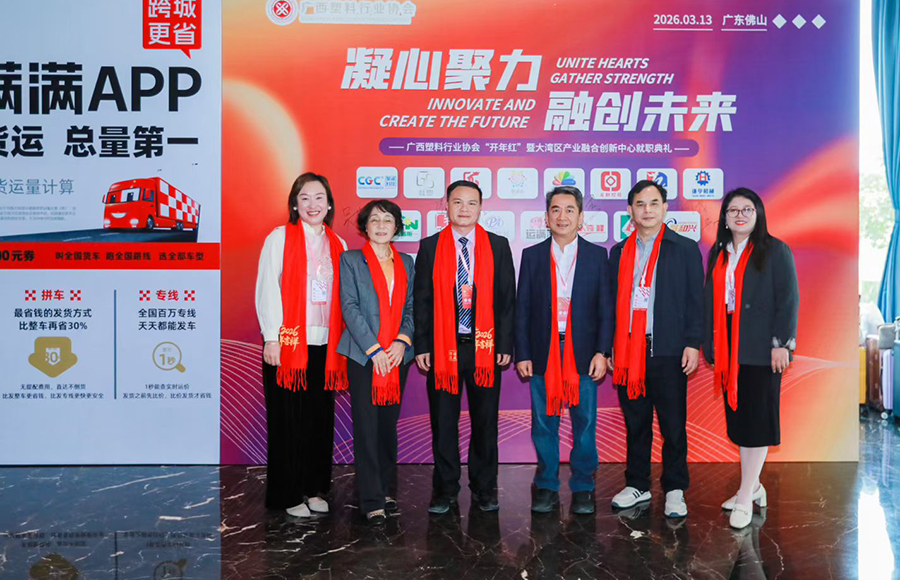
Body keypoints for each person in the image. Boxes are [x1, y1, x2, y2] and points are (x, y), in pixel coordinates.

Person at [413, 180, 516, 514]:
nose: (464, 209)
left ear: (481, 208)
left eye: (472, 203)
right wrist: (422, 345)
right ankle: (445, 489)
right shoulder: (430, 246)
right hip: (443, 348)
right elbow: (421, 301)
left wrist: (504, 343)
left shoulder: (498, 245)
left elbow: (507, 299)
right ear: (446, 205)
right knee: (444, 422)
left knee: (485, 422)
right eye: (457, 202)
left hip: (484, 347)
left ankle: (485, 488)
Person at [702, 188, 799, 529]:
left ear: (758, 214)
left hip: (762, 348)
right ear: (725, 218)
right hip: (729, 346)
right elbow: (710, 302)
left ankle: (745, 496)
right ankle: (753, 486)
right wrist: (709, 344)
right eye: (733, 210)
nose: (740, 215)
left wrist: (781, 344)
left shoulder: (775, 250)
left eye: (747, 209)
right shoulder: (719, 253)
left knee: (757, 422)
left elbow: (788, 299)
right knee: (741, 422)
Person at [515, 186, 613, 515]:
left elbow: (606, 309)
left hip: (583, 353)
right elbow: (523, 308)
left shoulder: (597, 256)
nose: (562, 216)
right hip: (544, 351)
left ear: (581, 217)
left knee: (584, 423)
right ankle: (546, 483)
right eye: (555, 210)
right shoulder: (532, 255)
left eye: (570, 210)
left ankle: (583, 486)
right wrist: (523, 353)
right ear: (546, 217)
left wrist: (602, 351)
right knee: (544, 423)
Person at [255, 172, 348, 517]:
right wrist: (272, 337)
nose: (312, 204)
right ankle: (288, 493)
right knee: (287, 421)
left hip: (325, 346)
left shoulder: (338, 244)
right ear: (294, 204)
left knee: (318, 420)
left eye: (319, 197)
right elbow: (268, 288)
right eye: (305, 198)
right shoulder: (280, 238)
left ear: (329, 204)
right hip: (288, 346)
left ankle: (313, 487)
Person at [609, 180, 703, 518]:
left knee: (672, 424)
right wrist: (610, 347)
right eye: (639, 204)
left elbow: (696, 300)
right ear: (630, 210)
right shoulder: (619, 252)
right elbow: (610, 304)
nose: (646, 210)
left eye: (653, 203)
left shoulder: (684, 248)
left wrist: (692, 343)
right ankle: (637, 484)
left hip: (668, 349)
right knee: (636, 423)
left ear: (664, 208)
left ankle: (675, 488)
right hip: (629, 351)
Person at [338, 199, 415, 524]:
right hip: (364, 357)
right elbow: (350, 307)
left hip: (397, 357)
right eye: (374, 220)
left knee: (387, 427)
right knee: (367, 427)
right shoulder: (350, 260)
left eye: (387, 220)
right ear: (365, 226)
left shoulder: (407, 262)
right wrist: (374, 349)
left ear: (396, 227)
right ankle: (371, 499)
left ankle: (386, 489)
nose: (381, 226)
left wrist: (401, 341)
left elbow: (412, 306)